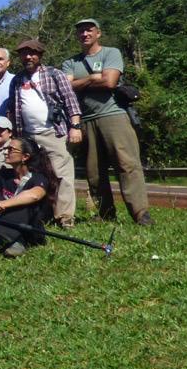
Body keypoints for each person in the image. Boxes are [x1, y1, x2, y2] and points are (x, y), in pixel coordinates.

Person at [61, 19, 153, 225]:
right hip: (85, 119)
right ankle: (105, 213)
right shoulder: (70, 62)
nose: (85, 34)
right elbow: (67, 89)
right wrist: (93, 79)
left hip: (113, 116)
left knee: (127, 165)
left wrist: (82, 82)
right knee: (94, 172)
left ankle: (140, 214)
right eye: (81, 31)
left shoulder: (111, 53)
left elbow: (110, 81)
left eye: (89, 30)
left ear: (98, 33)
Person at [7, 39, 82, 227]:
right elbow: (14, 108)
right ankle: (40, 214)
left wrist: (75, 126)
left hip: (53, 132)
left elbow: (69, 100)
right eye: (24, 54)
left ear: (40, 55)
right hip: (28, 136)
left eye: (32, 53)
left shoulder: (54, 74)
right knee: (34, 176)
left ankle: (65, 218)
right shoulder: (17, 80)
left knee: (62, 174)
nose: (28, 57)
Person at [0, 137, 52, 258]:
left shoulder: (38, 178)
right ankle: (16, 241)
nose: (6, 152)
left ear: (25, 157)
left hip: (30, 228)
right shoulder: (3, 174)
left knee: (24, 203)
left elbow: (35, 195)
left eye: (10, 149)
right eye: (6, 148)